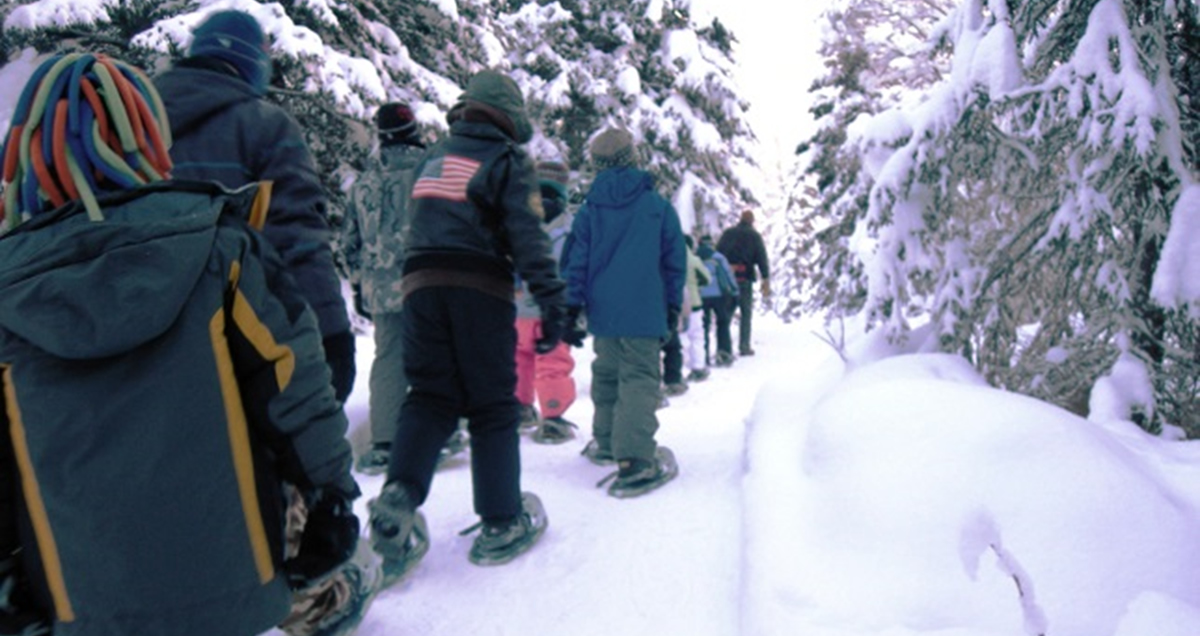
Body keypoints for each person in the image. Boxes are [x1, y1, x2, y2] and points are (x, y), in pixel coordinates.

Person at [0, 53, 362, 636]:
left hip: (84, 603)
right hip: (233, 585)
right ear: (149, 137)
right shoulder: (222, 249)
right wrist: (330, 494)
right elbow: (291, 379)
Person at [367, 70, 567, 567]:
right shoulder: (506, 159)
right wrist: (552, 300)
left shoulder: (434, 157)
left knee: (431, 395)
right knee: (492, 403)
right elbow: (527, 235)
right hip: (478, 286)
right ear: (509, 117)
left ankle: (399, 496)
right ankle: (501, 519)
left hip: (419, 285)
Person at [153, 9, 356, 402]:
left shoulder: (131, 120)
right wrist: (331, 331)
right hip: (237, 336)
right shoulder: (265, 125)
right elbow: (296, 235)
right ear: (254, 63)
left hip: (142, 339)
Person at [562, 127, 684, 498]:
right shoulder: (657, 208)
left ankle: (606, 441)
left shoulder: (589, 212)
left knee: (609, 375)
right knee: (639, 380)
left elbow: (576, 263)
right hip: (645, 310)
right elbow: (673, 261)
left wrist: (570, 305)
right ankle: (634, 461)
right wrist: (672, 304)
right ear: (633, 157)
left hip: (605, 313)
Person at [339, 102, 426, 475]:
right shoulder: (429, 171)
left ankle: (385, 440)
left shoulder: (365, 181)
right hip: (426, 279)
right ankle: (437, 430)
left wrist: (359, 283)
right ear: (414, 131)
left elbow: (347, 242)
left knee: (388, 357)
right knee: (432, 354)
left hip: (380, 286)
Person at [514, 160, 580, 445]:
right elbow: (574, 267)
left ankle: (520, 407)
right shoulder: (569, 226)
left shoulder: (517, 219)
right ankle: (552, 417)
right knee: (552, 359)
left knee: (518, 358)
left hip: (516, 307)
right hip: (552, 308)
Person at [717, 210, 770, 356]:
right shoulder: (754, 236)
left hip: (728, 278)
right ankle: (744, 346)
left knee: (726, 313)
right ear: (751, 221)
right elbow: (761, 257)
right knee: (746, 314)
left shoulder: (728, 234)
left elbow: (718, 253)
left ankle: (723, 347)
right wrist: (765, 278)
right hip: (745, 278)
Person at [697, 234, 738, 367]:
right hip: (719, 295)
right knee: (722, 323)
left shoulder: (694, 257)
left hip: (700, 296)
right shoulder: (718, 258)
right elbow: (728, 275)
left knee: (703, 326)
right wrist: (734, 291)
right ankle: (724, 352)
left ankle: (703, 356)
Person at [681, 235, 712, 382]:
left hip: (674, 303)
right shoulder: (693, 260)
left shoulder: (663, 256)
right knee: (696, 336)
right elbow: (707, 278)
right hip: (693, 302)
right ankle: (698, 367)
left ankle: (677, 370)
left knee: (679, 337)